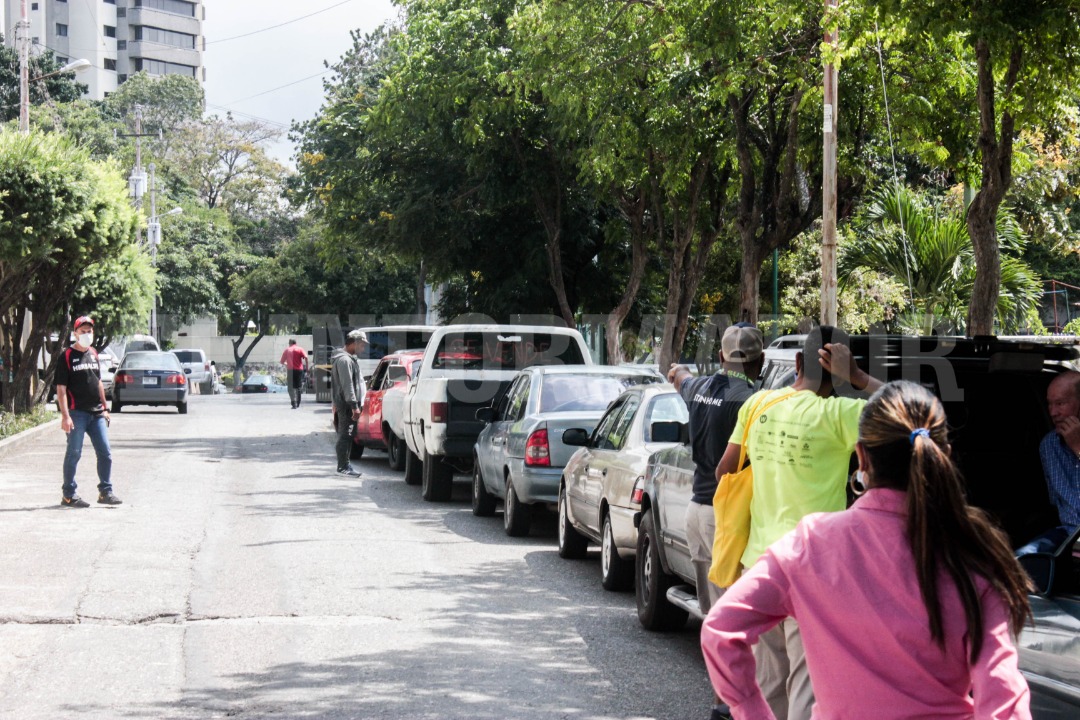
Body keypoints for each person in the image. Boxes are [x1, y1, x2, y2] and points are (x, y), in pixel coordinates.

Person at [701, 381, 1033, 719]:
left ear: (861, 457)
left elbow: (721, 631)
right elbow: (1003, 700)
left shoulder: (810, 545)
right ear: (943, 456)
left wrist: (751, 711)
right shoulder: (976, 555)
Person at [713, 326, 882, 720]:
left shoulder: (758, 406)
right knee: (807, 685)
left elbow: (725, 469)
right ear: (837, 373)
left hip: (759, 565)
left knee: (769, 681)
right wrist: (858, 377)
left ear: (797, 363)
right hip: (813, 572)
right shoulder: (839, 415)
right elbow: (912, 410)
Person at [668, 323, 764, 720]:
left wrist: (677, 371)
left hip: (696, 510)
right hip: (728, 518)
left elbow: (680, 377)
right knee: (733, 616)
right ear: (758, 360)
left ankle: (721, 697)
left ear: (722, 356)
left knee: (713, 615)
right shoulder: (753, 400)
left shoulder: (700, 388)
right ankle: (728, 703)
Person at [56, 316, 121, 507]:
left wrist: (105, 407)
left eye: (89, 331)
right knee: (74, 453)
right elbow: (61, 389)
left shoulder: (93, 353)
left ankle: (105, 492)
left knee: (105, 453)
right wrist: (65, 416)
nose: (86, 334)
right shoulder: (66, 356)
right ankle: (69, 494)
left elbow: (98, 382)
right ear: (75, 333)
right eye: (83, 331)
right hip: (76, 414)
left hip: (97, 413)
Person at [1018, 371, 1080, 555]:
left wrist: (1078, 448)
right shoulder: (1049, 445)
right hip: (1068, 535)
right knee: (1023, 560)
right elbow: (1057, 504)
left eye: (1060, 404)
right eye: (1049, 404)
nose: (1053, 412)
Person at [332, 329, 367, 477]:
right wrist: (354, 405)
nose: (363, 348)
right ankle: (343, 467)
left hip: (346, 403)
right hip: (347, 405)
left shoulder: (346, 359)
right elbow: (348, 385)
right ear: (354, 343)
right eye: (362, 345)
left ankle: (345, 465)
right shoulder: (345, 360)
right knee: (345, 435)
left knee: (348, 435)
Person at [280, 338, 309, 409]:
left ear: (290, 343)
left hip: (290, 370)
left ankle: (294, 403)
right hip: (299, 370)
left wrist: (287, 363)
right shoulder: (300, 349)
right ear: (295, 343)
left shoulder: (287, 350)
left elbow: (281, 361)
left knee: (291, 387)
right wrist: (307, 368)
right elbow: (306, 357)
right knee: (298, 387)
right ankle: (298, 403)